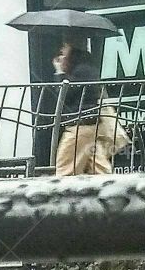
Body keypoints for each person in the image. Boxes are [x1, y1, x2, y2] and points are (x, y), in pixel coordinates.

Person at [52, 40, 125, 176]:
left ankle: (64, 197)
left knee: (64, 169)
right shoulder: (87, 68)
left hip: (80, 125)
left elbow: (65, 95)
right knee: (99, 168)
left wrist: (60, 72)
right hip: (90, 124)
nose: (62, 51)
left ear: (74, 50)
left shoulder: (81, 70)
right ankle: (113, 189)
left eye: (65, 47)